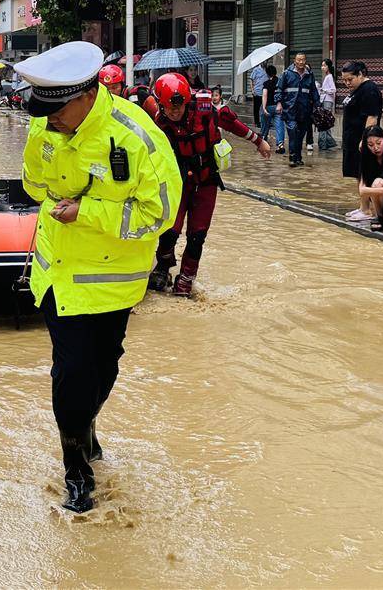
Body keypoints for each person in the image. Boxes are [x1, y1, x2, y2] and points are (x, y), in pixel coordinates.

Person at [16, 41, 180, 514]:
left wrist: (87, 211)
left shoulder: (135, 137)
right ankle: (77, 471)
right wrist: (45, 154)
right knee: (70, 374)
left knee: (105, 367)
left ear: (87, 96)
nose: (49, 121)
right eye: (43, 113)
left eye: (57, 111)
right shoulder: (46, 126)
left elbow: (160, 213)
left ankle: (86, 429)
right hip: (57, 274)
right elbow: (33, 186)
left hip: (111, 284)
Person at [150, 72, 272, 297]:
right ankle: (163, 267)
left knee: (197, 235)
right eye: (169, 108)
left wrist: (258, 141)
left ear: (187, 101)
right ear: (161, 105)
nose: (174, 112)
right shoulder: (158, 122)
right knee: (169, 231)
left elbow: (232, 123)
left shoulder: (205, 111)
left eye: (178, 107)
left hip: (205, 181)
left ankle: (186, 278)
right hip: (178, 183)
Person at [340, 61, 383, 221]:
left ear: (360, 74)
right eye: (344, 80)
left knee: (365, 174)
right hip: (352, 139)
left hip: (361, 140)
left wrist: (365, 140)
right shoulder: (357, 90)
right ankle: (363, 207)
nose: (347, 83)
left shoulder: (369, 90)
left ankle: (368, 210)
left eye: (350, 79)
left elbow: (372, 117)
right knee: (359, 174)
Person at [275, 53, 319, 167]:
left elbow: (313, 91)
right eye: (298, 60)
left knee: (301, 134)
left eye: (303, 60)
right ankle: (292, 157)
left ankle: (298, 157)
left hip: (305, 110)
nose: (301, 62)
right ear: (294, 61)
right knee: (293, 132)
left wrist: (318, 105)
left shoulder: (309, 75)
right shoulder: (287, 73)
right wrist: (279, 103)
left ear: (305, 61)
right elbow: (279, 89)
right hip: (290, 109)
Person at [257, 64, 284, 153]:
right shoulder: (280, 82)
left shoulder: (266, 83)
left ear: (267, 74)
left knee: (265, 126)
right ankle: (280, 144)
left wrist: (264, 108)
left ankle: (262, 143)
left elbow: (264, 95)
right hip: (278, 107)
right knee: (279, 126)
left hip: (268, 107)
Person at [317, 59, 337, 150]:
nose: (322, 67)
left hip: (327, 101)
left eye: (324, 65)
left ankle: (324, 143)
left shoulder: (329, 77)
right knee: (325, 122)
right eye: (322, 65)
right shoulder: (327, 76)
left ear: (328, 67)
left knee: (324, 122)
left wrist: (323, 90)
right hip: (326, 101)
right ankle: (328, 143)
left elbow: (333, 90)